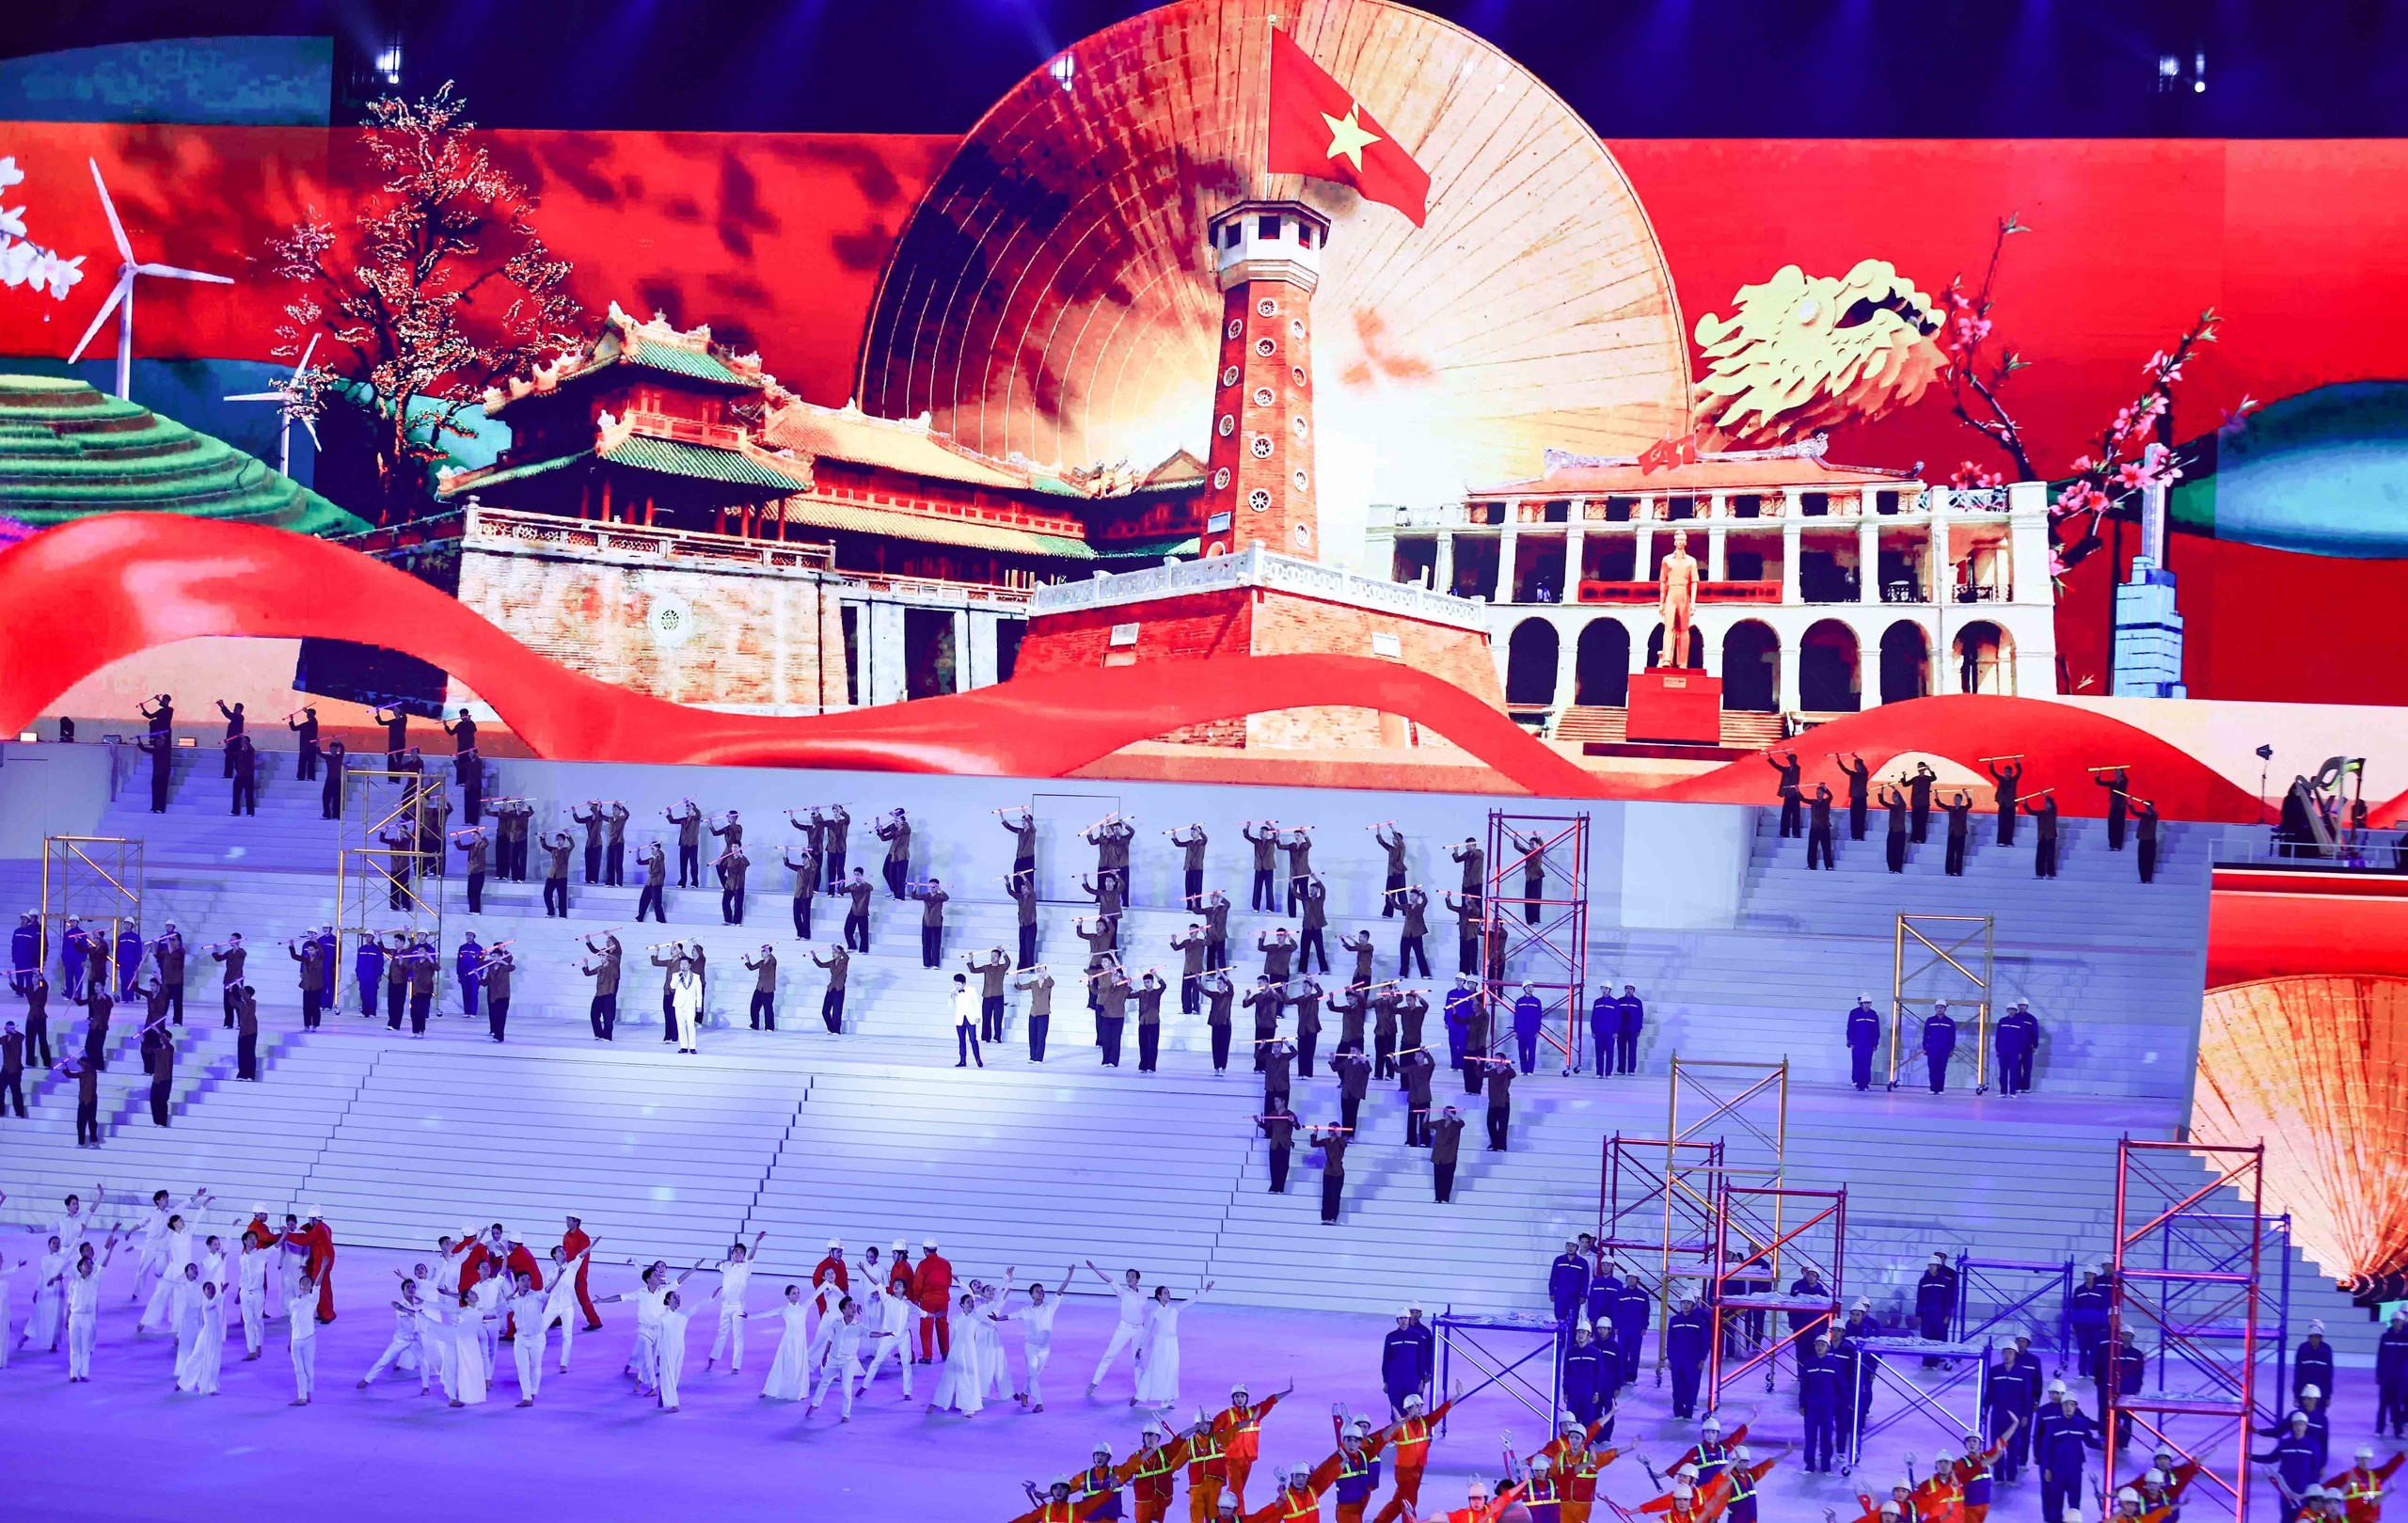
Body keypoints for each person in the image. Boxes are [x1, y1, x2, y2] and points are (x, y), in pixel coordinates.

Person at [1667, 1291, 1709, 1418]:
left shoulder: (1699, 1322)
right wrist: (1670, 1358)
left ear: (1693, 1305)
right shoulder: (1674, 1320)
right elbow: (1670, 1340)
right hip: (1677, 1359)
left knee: (1691, 1385)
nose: (1685, 1305)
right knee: (1677, 1386)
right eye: (1683, 1303)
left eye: (1688, 1303)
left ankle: (1688, 1413)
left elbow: (1704, 1341)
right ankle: (1678, 1413)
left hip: (1692, 1360)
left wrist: (1702, 1359)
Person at [580, 933, 620, 1041]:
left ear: (607, 956)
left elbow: (615, 960)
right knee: (594, 1014)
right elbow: (588, 973)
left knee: (608, 1017)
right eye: (600, 956)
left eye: (603, 956)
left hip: (608, 994)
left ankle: (607, 1036)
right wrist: (586, 964)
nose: (601, 958)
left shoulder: (614, 966)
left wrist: (607, 954)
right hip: (599, 995)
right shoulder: (600, 968)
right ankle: (598, 1034)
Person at [910, 876, 950, 969]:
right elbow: (914, 896)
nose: (932, 888)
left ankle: (935, 963)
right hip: (926, 923)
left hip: (936, 924)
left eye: (934, 887)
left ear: (937, 887)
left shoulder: (940, 897)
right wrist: (915, 888)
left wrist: (941, 891)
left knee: (936, 944)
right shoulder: (926, 896)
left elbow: (946, 898)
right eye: (930, 886)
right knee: (926, 944)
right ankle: (927, 963)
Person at [1846, 993, 1882, 1091]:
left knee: (1866, 1063)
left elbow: (1876, 1030)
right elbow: (1850, 1028)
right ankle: (1857, 1082)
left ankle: (1865, 1083)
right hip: (1857, 1043)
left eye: (1868, 1003)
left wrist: (1875, 1043)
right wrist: (1850, 1041)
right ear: (1861, 1003)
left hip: (1868, 1044)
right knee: (1857, 1062)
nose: (1867, 1005)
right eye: (1865, 1003)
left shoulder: (1873, 1014)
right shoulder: (1854, 1013)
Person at [1986, 755, 2022, 845]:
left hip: (2011, 805)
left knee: (2010, 824)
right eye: (2005, 772)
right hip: (2002, 804)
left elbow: (2019, 772)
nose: (2006, 773)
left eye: (2008, 772)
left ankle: (2008, 841)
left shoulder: (2013, 780)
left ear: (2011, 773)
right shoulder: (2001, 779)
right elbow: (1993, 773)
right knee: (2001, 823)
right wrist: (1991, 764)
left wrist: (2016, 762)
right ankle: (2000, 841)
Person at [669, 960, 703, 1054]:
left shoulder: (696, 977)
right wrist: (678, 977)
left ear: (689, 965)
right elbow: (672, 986)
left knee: (691, 1025)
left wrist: (699, 1005)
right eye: (681, 963)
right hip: (679, 1004)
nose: (683, 965)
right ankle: (683, 1046)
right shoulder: (676, 975)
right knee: (681, 1026)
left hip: (690, 1005)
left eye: (685, 963)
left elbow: (699, 992)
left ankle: (692, 1047)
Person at [1768, 750, 1804, 838]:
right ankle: (1784, 833)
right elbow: (1776, 766)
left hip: (1795, 795)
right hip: (1787, 795)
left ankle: (1796, 834)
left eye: (1792, 760)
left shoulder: (1797, 768)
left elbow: (1793, 763)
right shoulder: (1786, 770)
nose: (1791, 761)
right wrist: (1770, 758)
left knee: (1796, 816)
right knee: (1785, 816)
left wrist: (1787, 754)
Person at [1922, 1001, 1956, 1093]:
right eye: (1938, 1007)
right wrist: (1924, 1047)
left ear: (1945, 1009)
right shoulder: (1930, 1020)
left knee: (1941, 1070)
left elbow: (1952, 1037)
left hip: (1944, 1050)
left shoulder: (1949, 1022)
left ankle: (1940, 1089)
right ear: (1935, 1008)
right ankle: (1933, 1089)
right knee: (1932, 1069)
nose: (1939, 1009)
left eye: (1941, 1007)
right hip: (1932, 1049)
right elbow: (1925, 1035)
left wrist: (1951, 1049)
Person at [742, 944, 779, 1031]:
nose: (762, 954)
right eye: (762, 952)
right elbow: (751, 968)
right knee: (754, 1007)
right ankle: (754, 1025)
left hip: (768, 990)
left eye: (763, 952)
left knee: (768, 1009)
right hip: (759, 989)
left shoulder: (772, 962)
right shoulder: (761, 963)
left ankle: (769, 1027)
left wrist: (768, 951)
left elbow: (773, 959)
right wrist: (748, 959)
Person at [2096, 767, 2132, 851]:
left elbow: (2126, 779)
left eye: (2117, 772)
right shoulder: (2112, 783)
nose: (2116, 774)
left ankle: (2118, 845)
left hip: (2121, 807)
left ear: (2121, 773)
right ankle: (2112, 845)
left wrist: (2121, 771)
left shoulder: (2124, 782)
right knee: (2112, 826)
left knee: (2120, 826)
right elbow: (2099, 782)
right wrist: (2098, 772)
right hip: (2113, 807)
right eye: (2115, 772)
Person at [950, 974, 983, 1069]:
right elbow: (950, 1005)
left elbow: (977, 1003)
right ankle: (962, 1060)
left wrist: (978, 1016)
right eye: (955, 984)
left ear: (964, 983)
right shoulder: (953, 991)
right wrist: (952, 997)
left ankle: (978, 1059)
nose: (957, 986)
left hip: (970, 1018)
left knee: (973, 1039)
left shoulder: (971, 990)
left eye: (958, 984)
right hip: (960, 1019)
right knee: (961, 1040)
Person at [1837, 753, 1872, 841]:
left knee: (1861, 817)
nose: (1856, 766)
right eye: (1855, 765)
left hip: (1862, 799)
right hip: (1854, 798)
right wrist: (1839, 760)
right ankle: (1854, 836)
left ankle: (1860, 836)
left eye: (1857, 764)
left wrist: (1856, 757)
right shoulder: (1853, 774)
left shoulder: (1864, 774)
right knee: (1854, 817)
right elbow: (1844, 769)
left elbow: (1864, 768)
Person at [2026, 792, 2061, 878]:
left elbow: (2053, 803)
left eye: (2047, 803)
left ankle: (2050, 874)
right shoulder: (2041, 813)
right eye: (2045, 803)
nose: (2046, 804)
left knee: (2050, 856)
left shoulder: (2053, 812)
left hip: (2050, 837)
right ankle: (2039, 874)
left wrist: (2046, 796)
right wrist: (2025, 804)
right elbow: (2031, 812)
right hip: (2042, 837)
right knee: (2040, 856)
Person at [1615, 983, 1645, 1076]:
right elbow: (1616, 1015)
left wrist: (1639, 1029)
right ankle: (1621, 1070)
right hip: (1621, 1030)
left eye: (1631, 988)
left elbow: (1640, 1016)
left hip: (1632, 1030)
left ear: (1633, 990)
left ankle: (1631, 1070)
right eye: (1627, 988)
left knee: (1632, 1050)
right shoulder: (1619, 1001)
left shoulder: (1637, 1002)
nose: (1629, 990)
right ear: (1625, 989)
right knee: (1621, 1050)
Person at [1805, 784, 1837, 869]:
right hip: (1814, 828)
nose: (1817, 794)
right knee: (1812, 848)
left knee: (1826, 848)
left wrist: (1825, 788)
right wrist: (1797, 791)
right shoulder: (1813, 802)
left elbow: (1831, 796)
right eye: (1817, 793)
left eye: (1819, 793)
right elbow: (1802, 799)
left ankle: (1829, 865)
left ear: (1823, 793)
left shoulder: (1826, 802)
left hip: (1824, 828)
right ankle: (1811, 865)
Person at [1880, 783, 1909, 873]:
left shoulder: (1902, 806)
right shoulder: (1892, 807)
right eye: (1893, 797)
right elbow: (1882, 801)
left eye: (1895, 797)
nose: (1893, 799)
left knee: (1899, 850)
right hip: (1892, 831)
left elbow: (1901, 798)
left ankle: (1897, 868)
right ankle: (1891, 868)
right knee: (1890, 850)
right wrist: (1881, 790)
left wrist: (1894, 788)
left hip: (1900, 831)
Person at [1943, 790, 1972, 876]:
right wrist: (1936, 796)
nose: (1955, 801)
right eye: (1955, 799)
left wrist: (1966, 794)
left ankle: (1957, 871)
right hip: (1952, 833)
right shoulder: (1951, 809)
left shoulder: (1963, 809)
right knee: (1950, 853)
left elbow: (1970, 804)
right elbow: (1940, 805)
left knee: (1959, 854)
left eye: (1957, 799)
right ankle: (1949, 870)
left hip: (1960, 834)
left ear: (1960, 800)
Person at [2133, 797, 2161, 884]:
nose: (2147, 808)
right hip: (2143, 840)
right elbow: (2134, 812)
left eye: (2148, 806)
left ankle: (2148, 879)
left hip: (2150, 841)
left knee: (2149, 860)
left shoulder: (2154, 816)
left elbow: (2153, 812)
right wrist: (2130, 804)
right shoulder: (2144, 815)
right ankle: (2142, 878)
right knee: (2142, 860)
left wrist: (2149, 805)